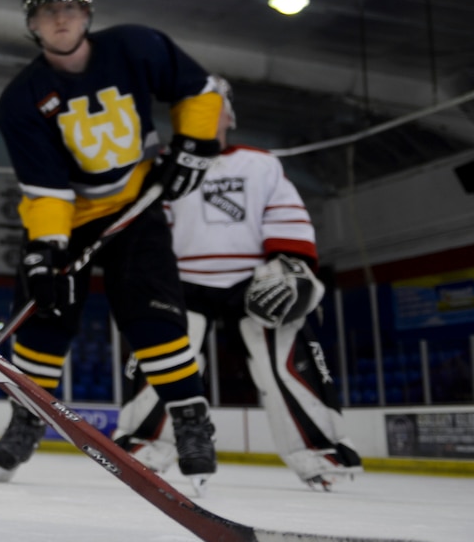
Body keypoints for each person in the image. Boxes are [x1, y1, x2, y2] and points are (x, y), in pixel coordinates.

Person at [0, 0, 226, 489]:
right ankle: (28, 417)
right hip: (68, 219)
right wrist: (45, 253)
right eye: (47, 11)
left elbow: (201, 91)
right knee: (42, 317)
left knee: (153, 316)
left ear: (87, 13)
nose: (60, 18)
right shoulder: (21, 99)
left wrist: (195, 145)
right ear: (32, 24)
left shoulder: (136, 47)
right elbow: (46, 190)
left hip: (136, 209)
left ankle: (190, 421)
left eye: (69, 7)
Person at [115, 94, 362, 489]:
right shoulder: (164, 167)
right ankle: (143, 448)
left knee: (286, 363)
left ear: (230, 115)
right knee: (162, 359)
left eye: (214, 109)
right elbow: (148, 226)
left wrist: (290, 264)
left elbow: (285, 215)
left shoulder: (261, 164)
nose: (205, 118)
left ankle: (322, 454)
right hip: (180, 281)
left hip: (256, 281)